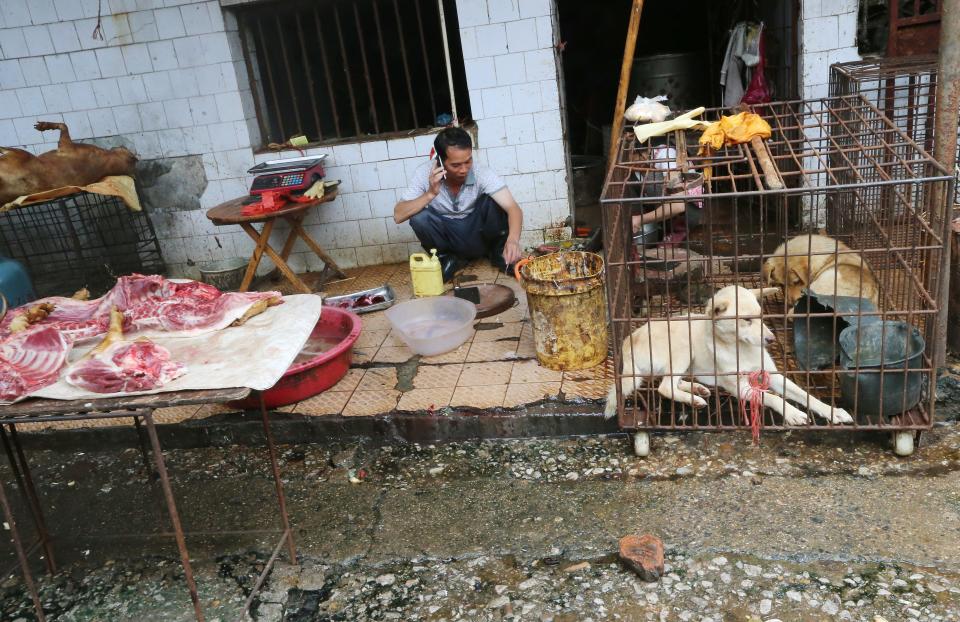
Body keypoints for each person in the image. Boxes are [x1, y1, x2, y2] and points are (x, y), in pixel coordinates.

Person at [394, 127, 523, 282]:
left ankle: (498, 252)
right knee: (419, 217)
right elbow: (398, 215)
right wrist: (430, 194)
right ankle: (447, 259)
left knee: (492, 201)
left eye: (468, 161)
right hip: (449, 238)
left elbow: (513, 208)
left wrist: (513, 240)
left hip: (477, 234)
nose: (464, 170)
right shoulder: (423, 174)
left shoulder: (481, 173)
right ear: (439, 161)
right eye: (455, 165)